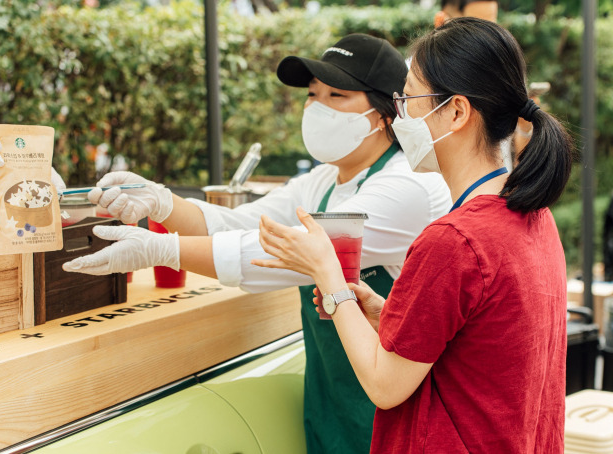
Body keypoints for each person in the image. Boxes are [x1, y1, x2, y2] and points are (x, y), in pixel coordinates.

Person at [62, 34, 452, 453]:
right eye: (312, 94)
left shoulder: (408, 187)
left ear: (384, 114)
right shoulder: (322, 182)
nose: (317, 107)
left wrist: (164, 250)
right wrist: (161, 200)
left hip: (397, 422)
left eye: (336, 94)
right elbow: (240, 222)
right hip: (332, 407)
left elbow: (284, 254)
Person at [252, 18, 572, 452]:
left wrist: (328, 274)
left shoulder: (455, 240)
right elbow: (480, 348)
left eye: (410, 97)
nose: (400, 113)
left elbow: (385, 385)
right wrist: (389, 316)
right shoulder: (533, 216)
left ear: (456, 112)